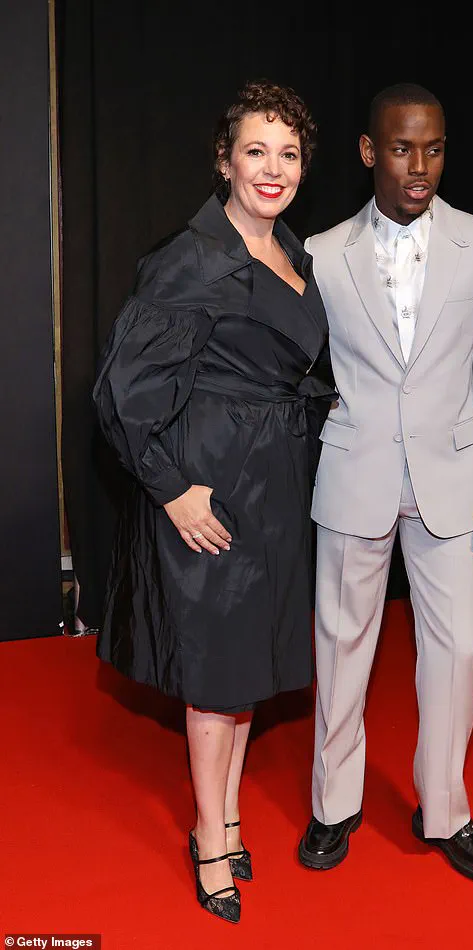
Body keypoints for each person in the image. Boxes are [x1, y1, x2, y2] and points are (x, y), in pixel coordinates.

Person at [93, 80, 334, 923]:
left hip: (274, 487)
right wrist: (171, 490)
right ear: (224, 160)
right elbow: (119, 391)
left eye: (288, 154)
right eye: (256, 151)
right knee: (215, 675)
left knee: (244, 668)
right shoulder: (192, 259)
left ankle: (227, 817)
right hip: (212, 488)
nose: (273, 169)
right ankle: (207, 838)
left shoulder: (289, 250)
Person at [298, 83, 473, 883]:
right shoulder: (322, 253)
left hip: (455, 483)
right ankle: (334, 804)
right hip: (354, 472)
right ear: (370, 152)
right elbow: (295, 367)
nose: (419, 165)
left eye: (432, 148)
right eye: (401, 148)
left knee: (457, 652)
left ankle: (447, 812)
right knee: (341, 646)